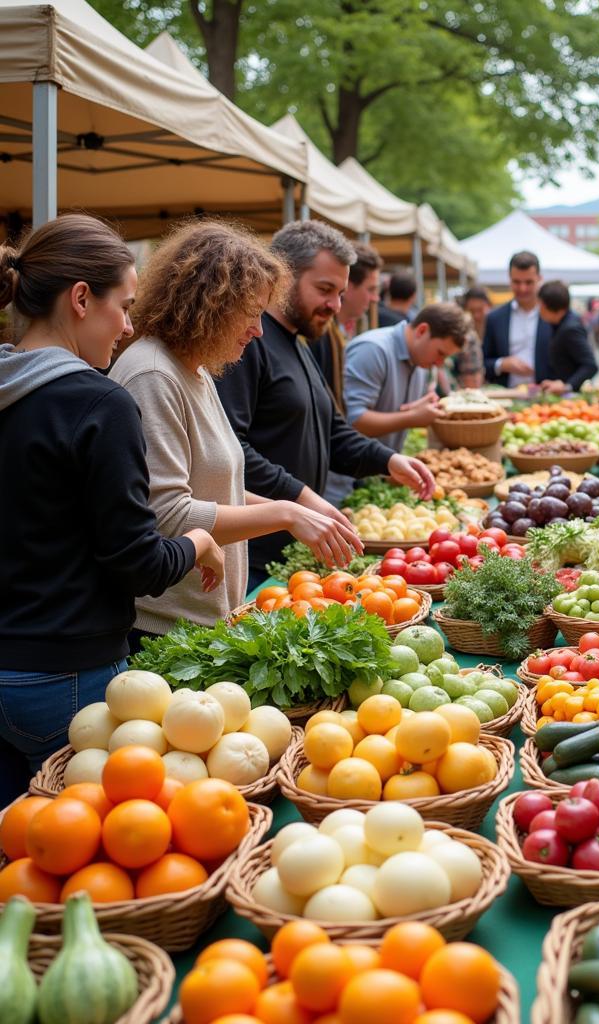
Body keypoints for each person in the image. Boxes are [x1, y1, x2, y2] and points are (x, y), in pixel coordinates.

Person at [0, 215, 224, 798]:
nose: (128, 327)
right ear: (80, 299)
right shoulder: (100, 402)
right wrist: (200, 542)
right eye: (123, 307)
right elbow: (137, 563)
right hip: (68, 676)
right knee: (83, 855)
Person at [110, 221, 360, 645]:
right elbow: (165, 516)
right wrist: (286, 513)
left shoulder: (197, 372)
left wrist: (299, 512)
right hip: (160, 630)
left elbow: (216, 488)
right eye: (250, 314)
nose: (259, 330)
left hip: (201, 622)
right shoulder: (154, 375)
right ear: (210, 304)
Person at [215, 221, 434, 588]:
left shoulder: (300, 344)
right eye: (325, 289)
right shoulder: (247, 345)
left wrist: (387, 460)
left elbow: (332, 433)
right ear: (284, 277)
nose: (335, 304)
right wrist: (300, 498)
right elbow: (230, 451)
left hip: (297, 553)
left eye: (341, 292)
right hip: (253, 560)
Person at [344, 303, 468, 454]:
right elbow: (352, 421)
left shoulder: (420, 360)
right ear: (422, 331)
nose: (440, 363)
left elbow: (392, 412)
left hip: (381, 469)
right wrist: (411, 417)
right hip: (349, 474)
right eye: (440, 353)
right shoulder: (372, 350)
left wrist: (415, 408)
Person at [309, 241, 384, 417]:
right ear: (347, 286)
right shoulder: (317, 333)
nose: (375, 298)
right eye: (371, 289)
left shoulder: (342, 329)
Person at [483, 251, 553, 387]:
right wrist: (502, 364)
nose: (522, 288)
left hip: (547, 400)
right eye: (517, 282)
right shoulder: (495, 318)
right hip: (506, 397)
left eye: (529, 282)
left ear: (540, 279)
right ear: (509, 280)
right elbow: (483, 362)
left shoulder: (553, 316)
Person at [535, 281, 598, 394]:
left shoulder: (570, 329)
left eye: (540, 305)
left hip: (573, 398)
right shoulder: (560, 323)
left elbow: (590, 365)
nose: (539, 310)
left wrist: (567, 386)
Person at [455, 286, 490, 388]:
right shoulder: (464, 332)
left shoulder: (495, 326)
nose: (476, 315)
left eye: (480, 310)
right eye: (471, 310)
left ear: (488, 306)